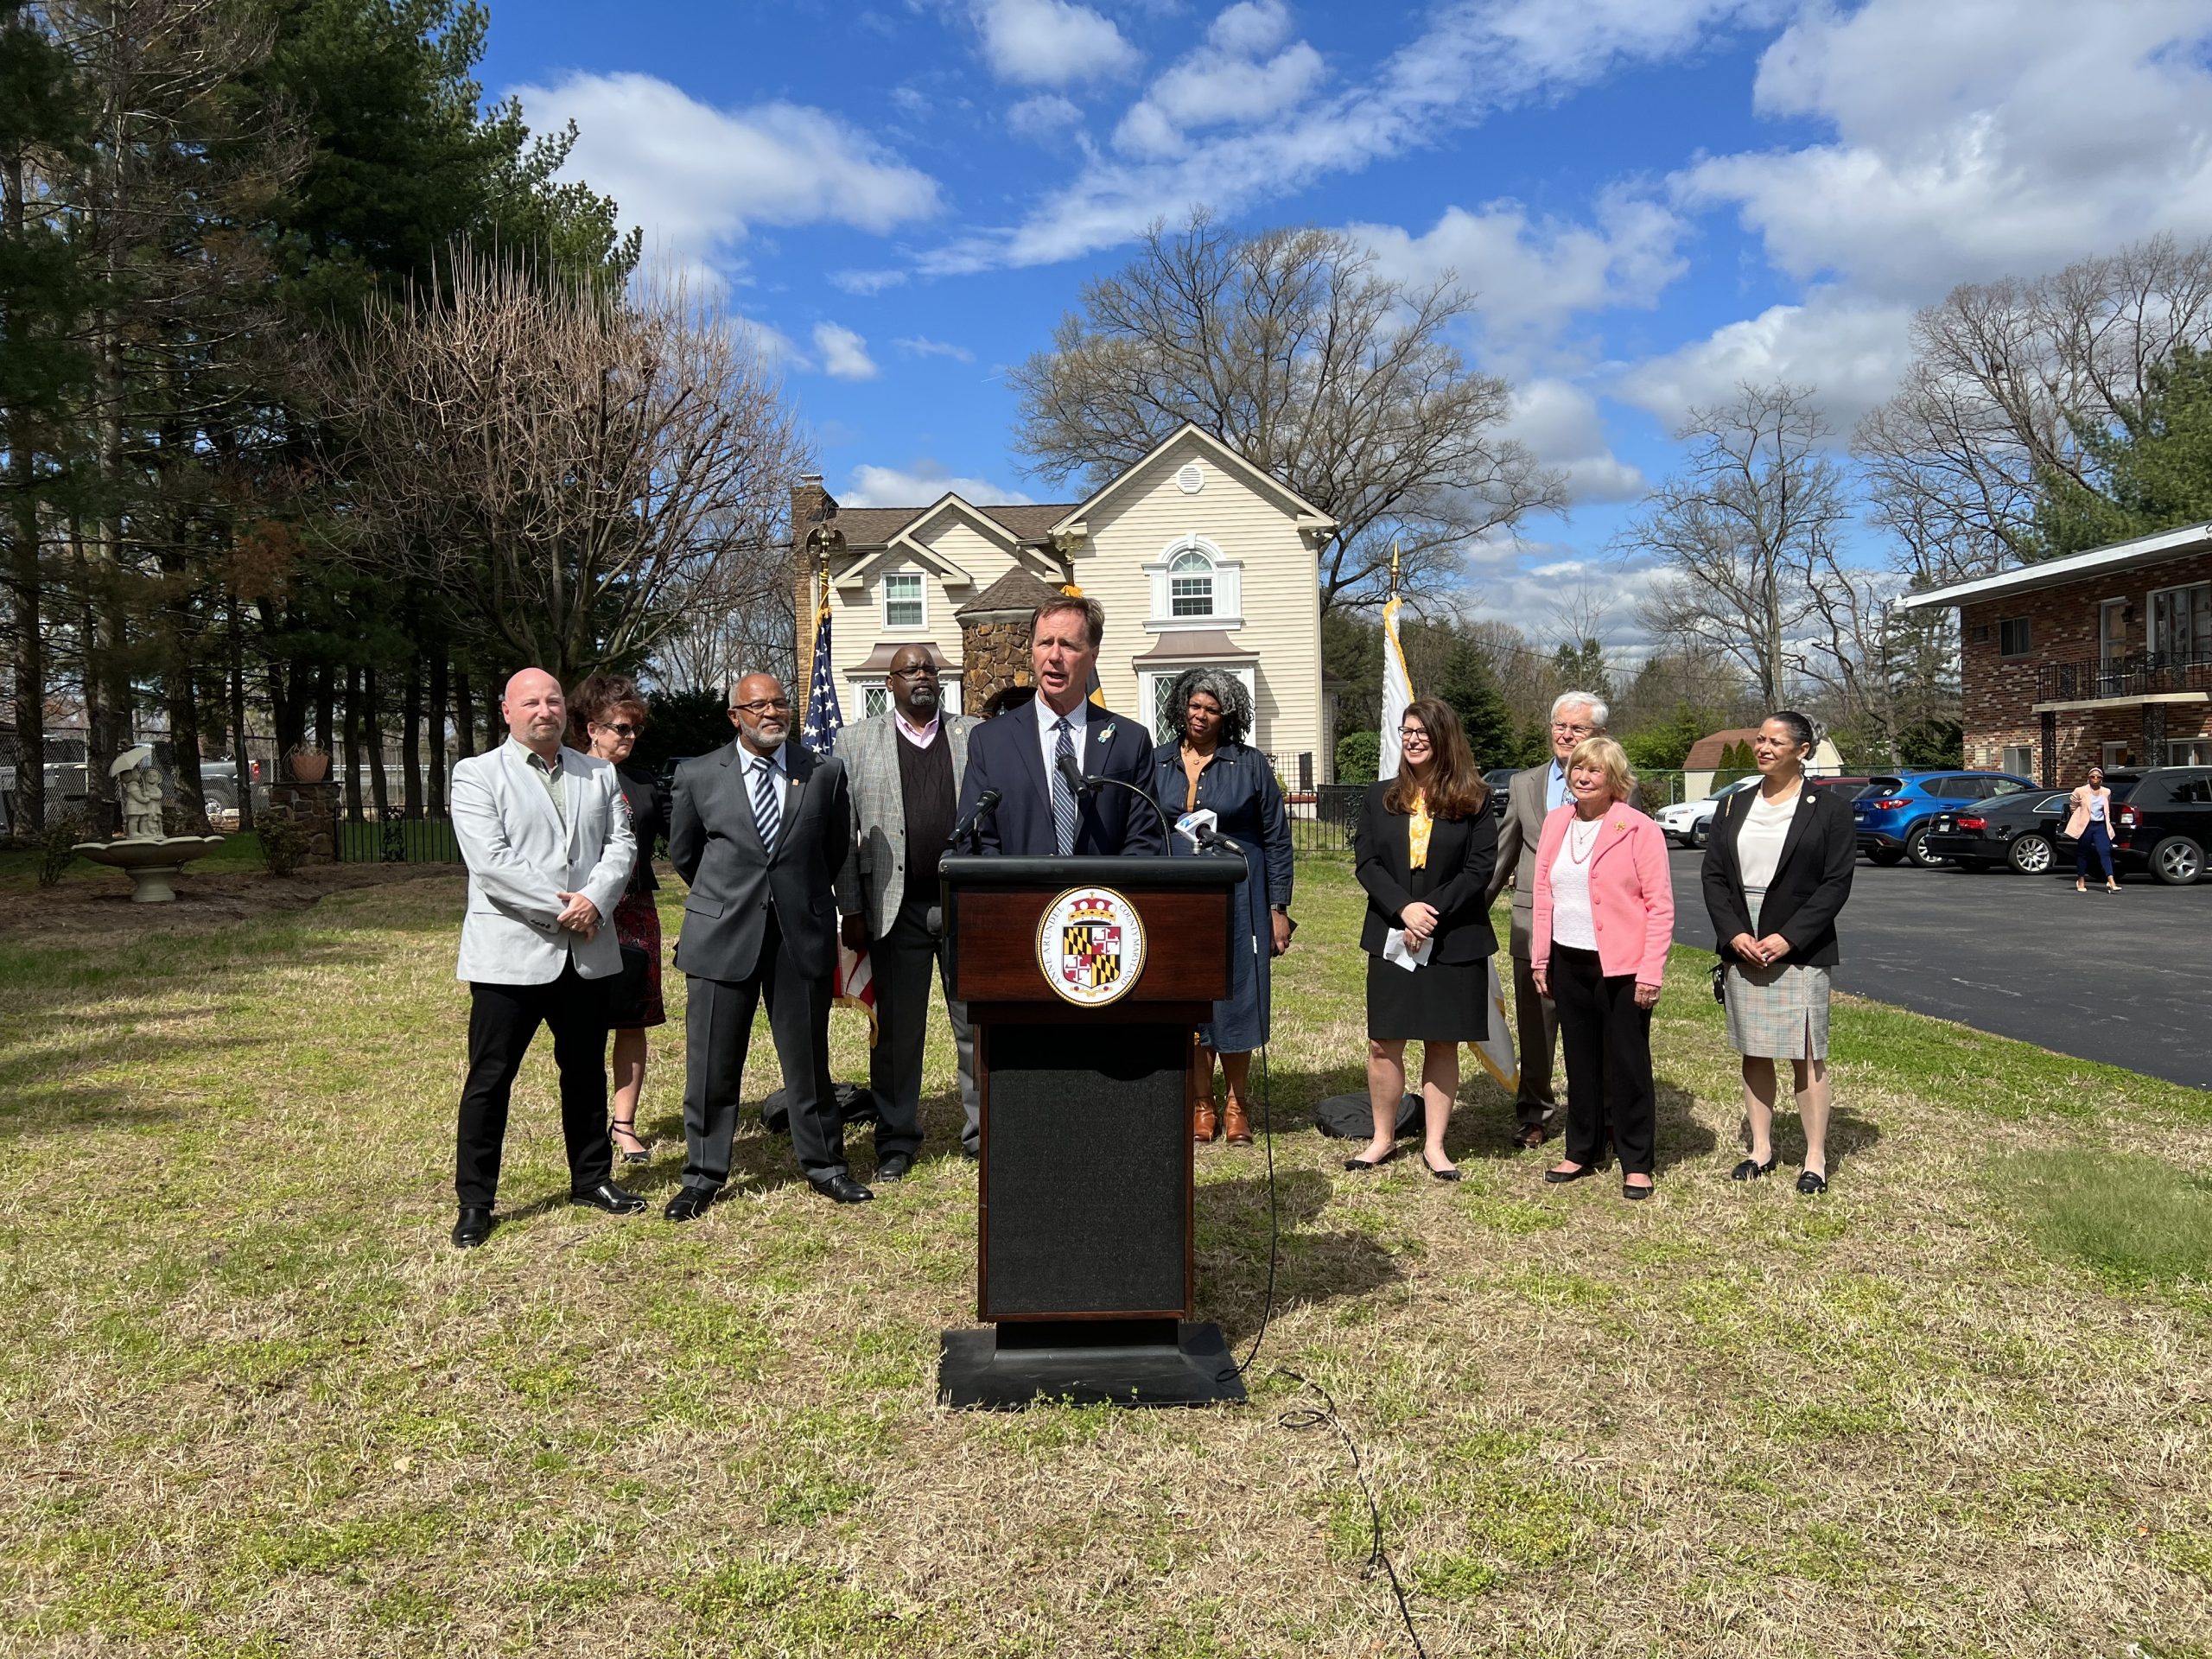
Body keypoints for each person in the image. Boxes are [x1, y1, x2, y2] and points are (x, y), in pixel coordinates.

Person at [447, 667, 645, 1249]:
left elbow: (621, 846)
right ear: (506, 711)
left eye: (553, 700)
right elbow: (491, 863)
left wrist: (595, 901)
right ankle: (476, 1203)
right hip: (510, 955)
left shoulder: (599, 773)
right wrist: (567, 909)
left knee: (584, 1072)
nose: (544, 710)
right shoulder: (477, 774)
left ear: (566, 709)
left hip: (585, 954)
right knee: (490, 1080)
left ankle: (592, 1179)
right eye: (530, 702)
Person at [666, 672, 867, 1213]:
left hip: (798, 935)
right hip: (721, 934)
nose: (772, 713)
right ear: (735, 716)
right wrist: (732, 897)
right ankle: (703, 1175)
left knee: (808, 1062)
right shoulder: (697, 775)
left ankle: (826, 1166)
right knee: (711, 1064)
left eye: (779, 703)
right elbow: (685, 854)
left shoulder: (823, 772)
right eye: (757, 706)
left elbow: (832, 850)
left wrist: (792, 896)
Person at [1700, 711, 1855, 1195]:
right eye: (1760, 740)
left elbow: (1836, 884)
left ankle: (1815, 1157)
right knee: (1756, 1048)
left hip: (1801, 945)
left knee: (1806, 1054)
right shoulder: (1734, 804)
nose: (1763, 748)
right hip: (1743, 941)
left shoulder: (1830, 809)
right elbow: (1714, 876)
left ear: (1802, 751)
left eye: (1775, 742)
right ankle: (1761, 1149)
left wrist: (1789, 937)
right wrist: (1732, 934)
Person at [840, 645, 982, 1171]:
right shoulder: (856, 741)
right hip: (893, 908)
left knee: (976, 1026)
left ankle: (984, 1134)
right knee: (897, 1034)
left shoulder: (974, 736)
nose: (922, 676)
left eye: (929, 668)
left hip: (965, 907)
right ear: (890, 681)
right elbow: (845, 832)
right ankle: (896, 1139)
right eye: (909, 670)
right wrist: (852, 908)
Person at [1349, 697, 1497, 1180]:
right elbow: (1367, 862)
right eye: (1407, 731)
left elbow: (1479, 869)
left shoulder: (1475, 799)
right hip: (1391, 932)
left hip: (1453, 936)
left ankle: (1434, 1145)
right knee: (1383, 1042)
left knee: (1441, 1042)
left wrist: (1429, 914)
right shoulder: (1379, 797)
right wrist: (1404, 909)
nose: (1412, 739)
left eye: (1422, 732)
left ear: (1443, 738)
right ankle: (1382, 1138)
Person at [1150, 668, 1294, 1147]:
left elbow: (1276, 838)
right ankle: (1201, 1103)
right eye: (1195, 705)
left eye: (1212, 709)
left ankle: (1236, 1104)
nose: (1201, 715)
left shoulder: (1249, 764)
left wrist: (1278, 907)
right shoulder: (1158, 761)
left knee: (1237, 997)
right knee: (1188, 998)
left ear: (1227, 717)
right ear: (1181, 707)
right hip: (1177, 899)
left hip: (1240, 897)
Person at [1531, 737, 1673, 1201]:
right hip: (1568, 960)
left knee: (1628, 1064)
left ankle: (1637, 1161)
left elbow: (1660, 907)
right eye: (1577, 769)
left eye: (1595, 771)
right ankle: (1582, 1149)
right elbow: (1543, 895)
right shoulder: (1557, 822)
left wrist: (1650, 972)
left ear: (1615, 780)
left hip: (1623, 968)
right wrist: (1541, 958)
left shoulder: (1639, 829)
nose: (1583, 777)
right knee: (1580, 1061)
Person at [953, 594, 1166, 857]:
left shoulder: (1129, 740)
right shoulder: (990, 740)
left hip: (1102, 885)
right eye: (1045, 643)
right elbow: (977, 839)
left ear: (1093, 656)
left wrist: (1104, 885)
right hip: (1017, 884)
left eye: (1068, 645)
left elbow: (1144, 839)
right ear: (1032, 652)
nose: (1054, 656)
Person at [1485, 691, 1608, 1147]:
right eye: (1560, 725)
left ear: (1599, 735)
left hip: (1594, 928)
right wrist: (1470, 913)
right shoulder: (1525, 784)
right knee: (1536, 1029)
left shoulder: (1619, 784)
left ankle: (1598, 1114)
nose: (1566, 734)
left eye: (1578, 728)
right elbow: (1504, 853)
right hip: (1531, 925)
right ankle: (1534, 1114)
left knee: (1594, 1027)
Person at [569, 673, 668, 1164]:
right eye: (620, 728)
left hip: (635, 911)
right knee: (584, 1023)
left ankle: (624, 1124)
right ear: (592, 728)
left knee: (633, 1021)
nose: (629, 737)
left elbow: (683, 840)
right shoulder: (569, 777)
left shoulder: (645, 783)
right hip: (582, 912)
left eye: (635, 729)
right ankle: (584, 1125)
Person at [2066, 765, 2120, 893]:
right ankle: (2081, 879)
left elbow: (2106, 807)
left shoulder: (2106, 792)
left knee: (2105, 851)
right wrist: (2079, 818)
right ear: (2088, 778)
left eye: (2098, 777)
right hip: (2086, 826)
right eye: (2092, 777)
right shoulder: (2080, 791)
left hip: (2100, 825)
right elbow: (2073, 805)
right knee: (2083, 852)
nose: (2095, 779)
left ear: (2101, 779)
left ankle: (2111, 880)